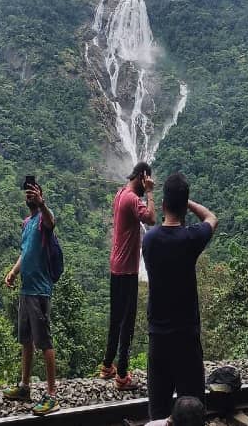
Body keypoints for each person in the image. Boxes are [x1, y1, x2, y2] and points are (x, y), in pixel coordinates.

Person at [142, 173, 217, 421]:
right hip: (187, 336)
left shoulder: (149, 240)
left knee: (159, 408)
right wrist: (189, 204)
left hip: (158, 337)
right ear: (185, 207)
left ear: (163, 206)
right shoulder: (191, 238)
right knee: (193, 407)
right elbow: (211, 218)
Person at [3, 180, 59, 416]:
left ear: (41, 195)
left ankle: (52, 394)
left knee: (44, 342)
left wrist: (42, 204)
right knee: (25, 339)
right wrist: (14, 272)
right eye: (27, 194)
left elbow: (51, 222)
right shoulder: (27, 224)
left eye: (33, 193)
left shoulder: (43, 220)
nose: (30, 197)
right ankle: (25, 386)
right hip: (26, 290)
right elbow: (25, 253)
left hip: (39, 291)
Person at [101, 162, 156, 389]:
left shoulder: (120, 193)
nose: (148, 185)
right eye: (148, 181)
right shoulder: (133, 199)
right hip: (127, 269)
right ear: (143, 177)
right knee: (128, 322)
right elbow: (152, 219)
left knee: (116, 318)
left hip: (116, 265)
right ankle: (122, 376)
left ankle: (107, 366)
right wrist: (151, 193)